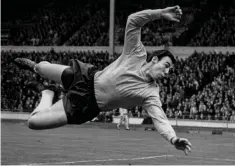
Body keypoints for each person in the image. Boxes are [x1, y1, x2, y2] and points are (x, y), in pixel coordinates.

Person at [14, 5, 192, 154]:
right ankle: (35, 67)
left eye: (170, 70)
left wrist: (173, 139)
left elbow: (160, 119)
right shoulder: (137, 53)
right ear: (154, 59)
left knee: (33, 123)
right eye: (166, 65)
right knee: (41, 68)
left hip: (86, 106)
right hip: (85, 78)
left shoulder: (151, 93)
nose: (167, 72)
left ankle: (47, 92)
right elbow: (133, 21)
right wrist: (160, 14)